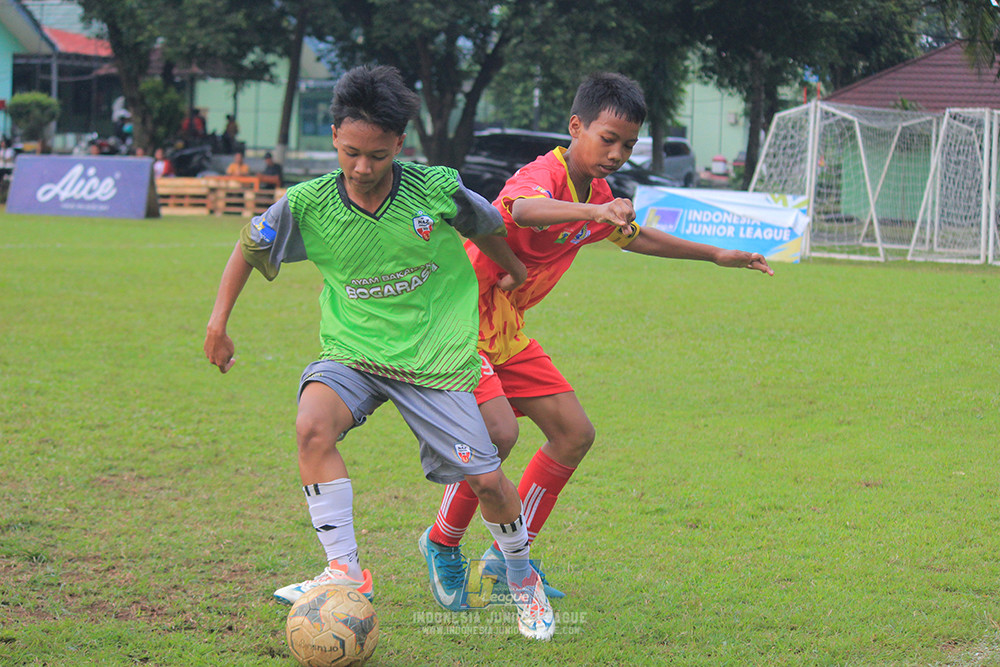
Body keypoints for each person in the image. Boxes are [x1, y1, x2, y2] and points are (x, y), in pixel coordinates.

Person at [203, 64, 555, 641]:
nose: (362, 168)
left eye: (376, 155)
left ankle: (521, 578)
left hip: (433, 358)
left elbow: (489, 223)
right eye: (349, 153)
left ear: (399, 143)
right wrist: (218, 324)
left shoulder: (435, 189)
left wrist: (514, 267)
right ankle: (343, 570)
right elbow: (248, 247)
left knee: (490, 479)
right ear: (335, 138)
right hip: (354, 352)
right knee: (312, 425)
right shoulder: (307, 204)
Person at [418, 72, 774, 610]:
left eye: (628, 144)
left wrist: (717, 255)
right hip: (461, 325)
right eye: (608, 138)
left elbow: (637, 237)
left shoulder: (601, 194)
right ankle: (441, 542)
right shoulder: (545, 173)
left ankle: (507, 556)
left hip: (505, 329)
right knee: (497, 436)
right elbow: (520, 210)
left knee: (573, 433)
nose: (617, 153)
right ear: (576, 126)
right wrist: (594, 213)